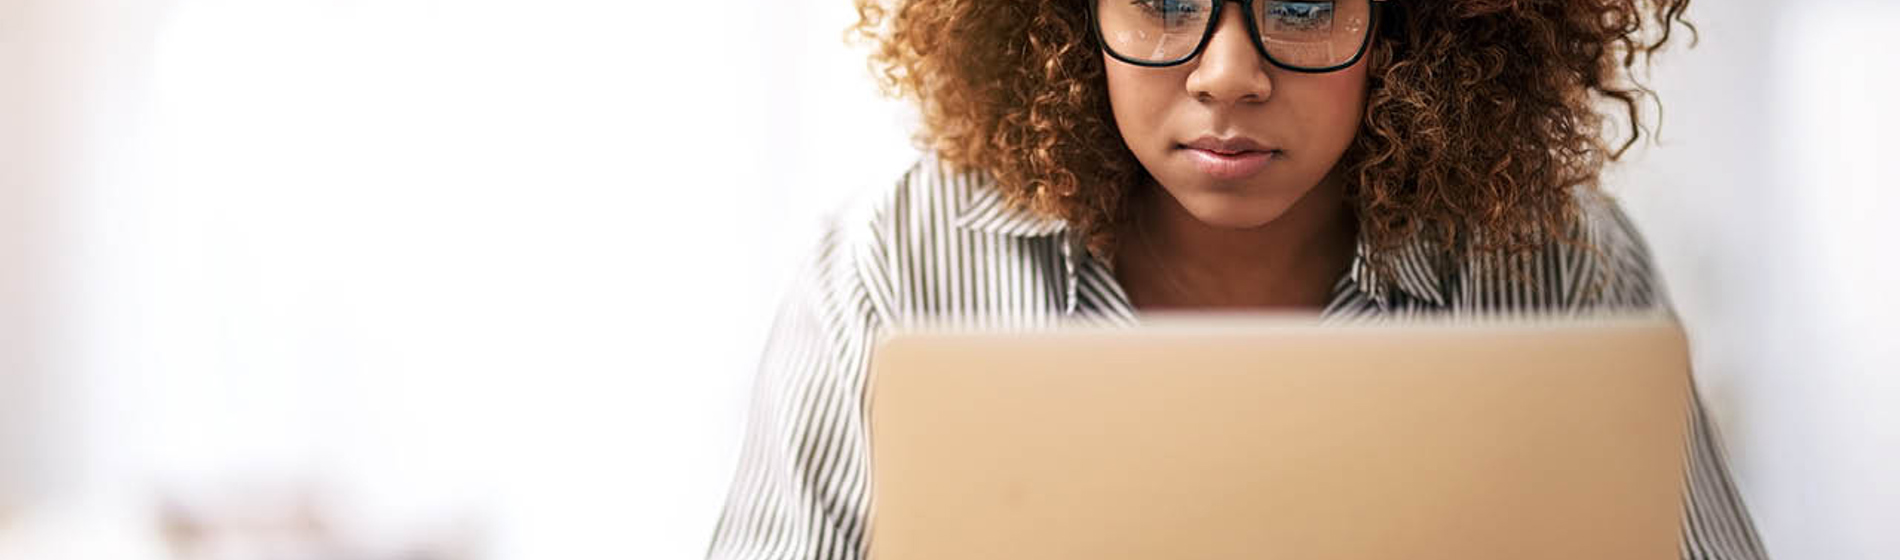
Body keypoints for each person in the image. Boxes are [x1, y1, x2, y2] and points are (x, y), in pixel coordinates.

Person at [707, 0, 1767, 558]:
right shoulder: (894, 261)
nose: (1227, 72)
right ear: (1071, 19)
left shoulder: (1558, 261)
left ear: (1404, 28)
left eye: (1303, 1)